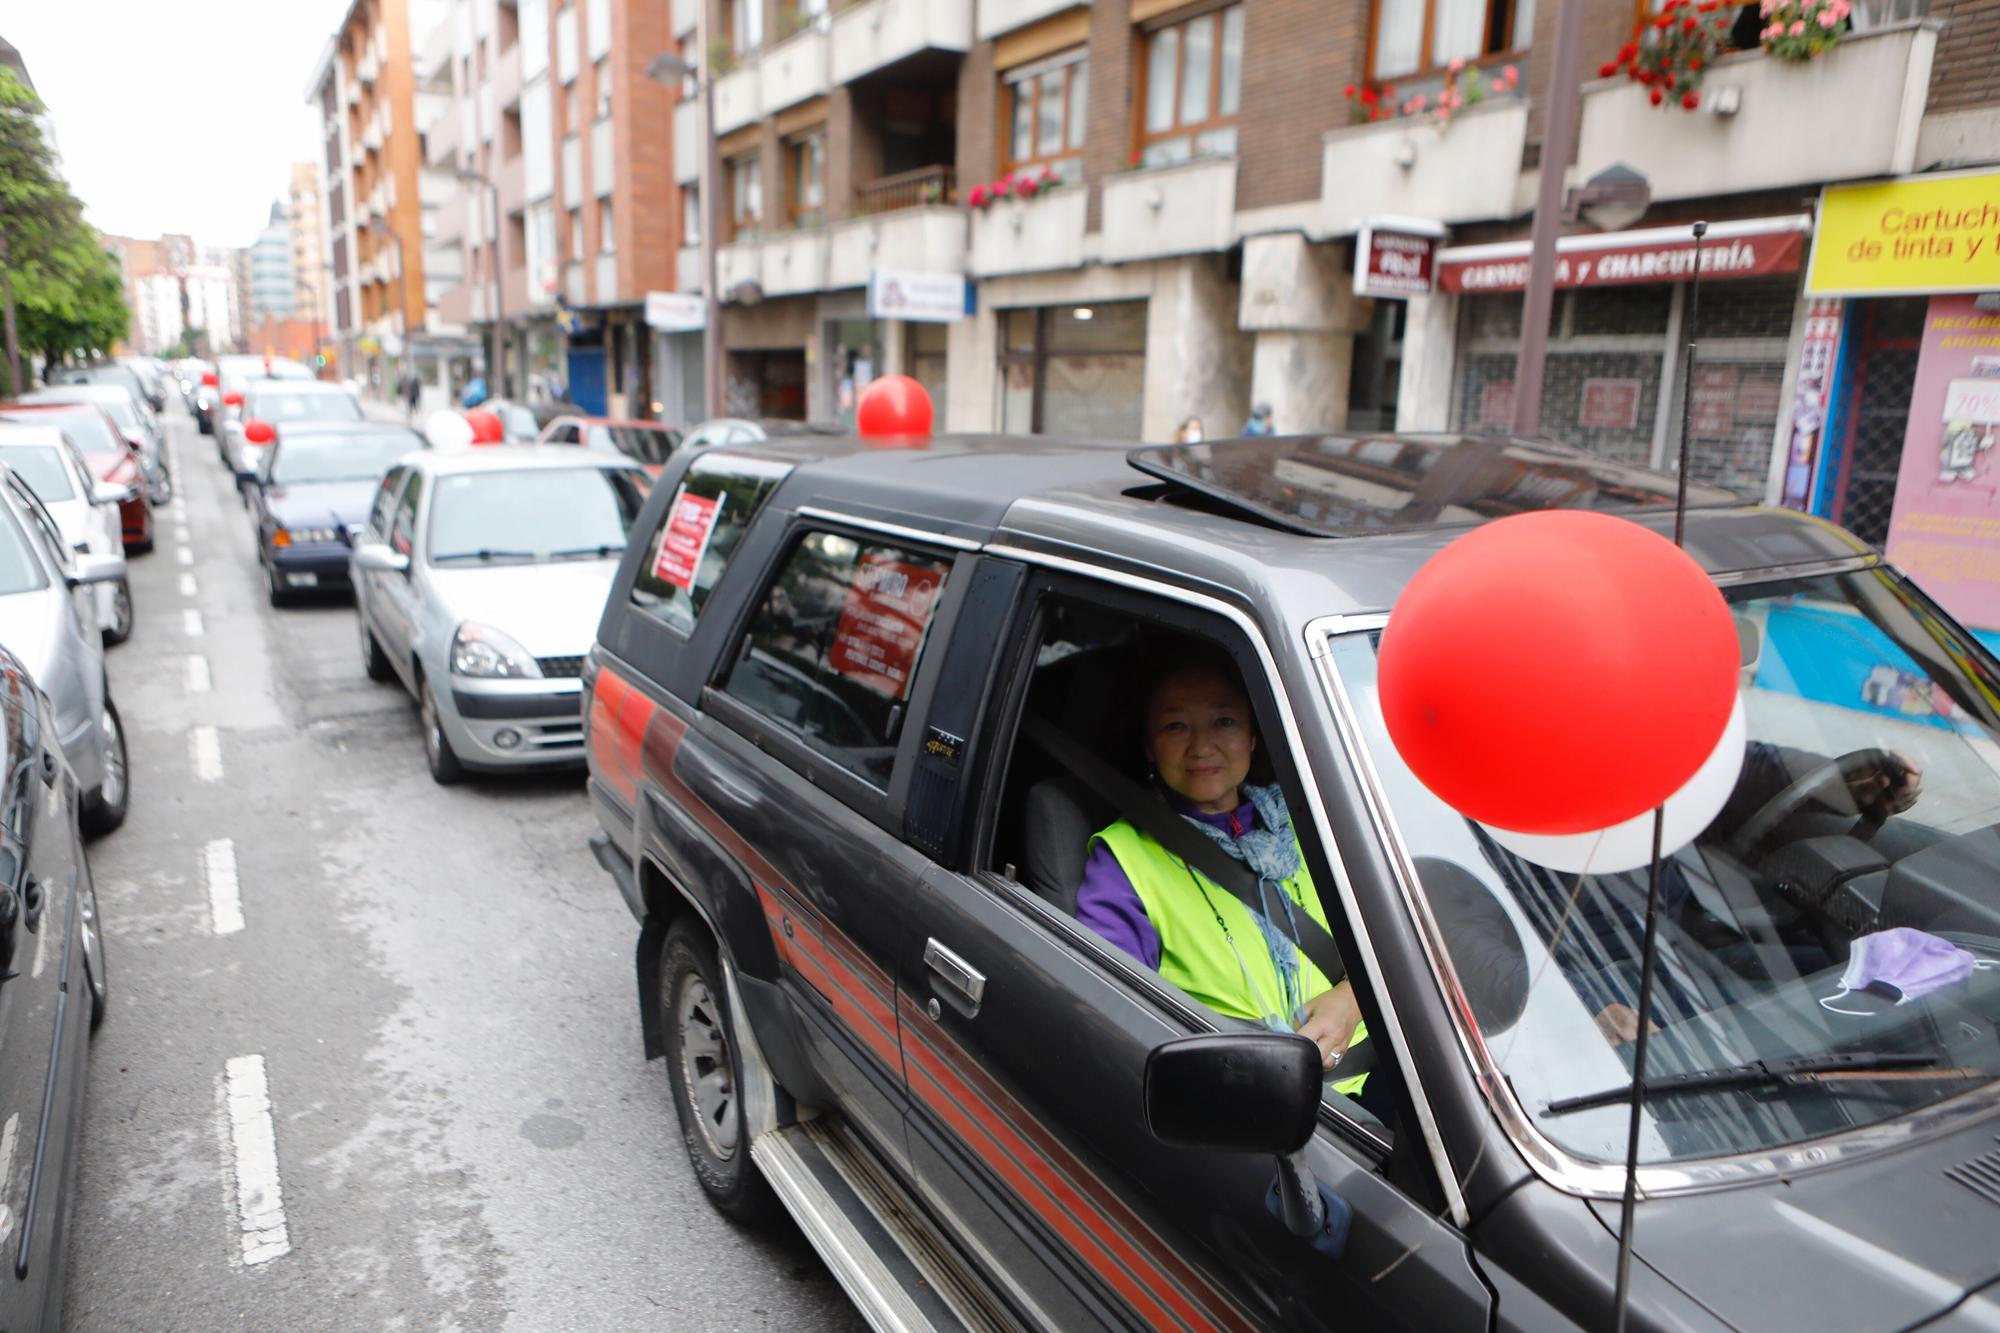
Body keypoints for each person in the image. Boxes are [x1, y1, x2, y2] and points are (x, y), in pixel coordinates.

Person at [1075, 642, 1368, 1087]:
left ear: (1252, 734)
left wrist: (1351, 1001)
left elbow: (1392, 946)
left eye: (1224, 721)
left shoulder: (1310, 822)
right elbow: (1111, 1013)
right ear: (1150, 748)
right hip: (1250, 1098)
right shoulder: (1124, 859)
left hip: (1380, 1066)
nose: (1202, 745)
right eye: (1175, 725)